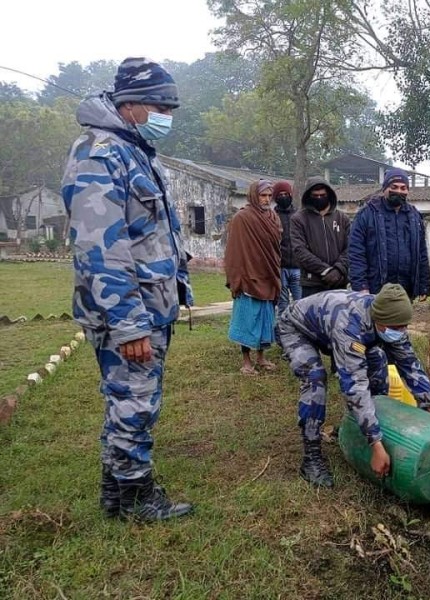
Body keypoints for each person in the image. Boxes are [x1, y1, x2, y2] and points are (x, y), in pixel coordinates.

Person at [61, 57, 193, 522]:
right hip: (128, 313)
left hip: (149, 306)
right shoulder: (100, 154)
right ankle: (137, 499)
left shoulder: (133, 151)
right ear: (131, 104)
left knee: (128, 401)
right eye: (161, 106)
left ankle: (115, 495)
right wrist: (129, 325)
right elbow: (101, 250)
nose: (167, 117)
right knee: (135, 404)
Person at [277, 284, 430, 488]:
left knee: (378, 359)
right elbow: (354, 385)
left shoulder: (391, 319)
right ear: (380, 321)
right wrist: (376, 445)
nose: (401, 332)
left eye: (404, 327)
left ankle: (364, 427)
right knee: (314, 377)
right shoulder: (349, 325)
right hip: (296, 328)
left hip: (330, 328)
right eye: (397, 328)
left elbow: (410, 365)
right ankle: (311, 458)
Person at [224, 180, 283, 375]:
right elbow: (233, 250)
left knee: (266, 320)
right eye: (262, 195)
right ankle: (246, 361)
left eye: (268, 196)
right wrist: (236, 277)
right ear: (253, 196)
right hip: (248, 277)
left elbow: (276, 247)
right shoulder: (242, 218)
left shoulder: (273, 217)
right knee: (248, 320)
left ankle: (261, 357)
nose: (266, 199)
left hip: (268, 273)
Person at [349, 168, 430, 302]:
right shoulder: (367, 214)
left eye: (403, 188)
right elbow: (356, 253)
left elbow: (421, 252)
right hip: (375, 287)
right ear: (385, 188)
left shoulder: (414, 216)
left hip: (405, 288)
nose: (399, 191)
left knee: (401, 322)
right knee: (375, 322)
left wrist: (424, 284)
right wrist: (361, 286)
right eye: (394, 187)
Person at [290, 177, 350, 298]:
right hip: (312, 283)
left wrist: (338, 269)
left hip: (338, 281)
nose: (319, 198)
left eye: (322, 195)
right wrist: (325, 271)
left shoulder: (342, 218)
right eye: (315, 195)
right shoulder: (299, 219)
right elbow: (300, 251)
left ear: (329, 195)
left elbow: (350, 248)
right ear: (308, 196)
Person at [273, 180, 302, 315]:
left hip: (297, 266)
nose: (283, 197)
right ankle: (282, 330)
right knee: (282, 303)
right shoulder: (272, 217)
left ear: (290, 195)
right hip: (280, 267)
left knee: (300, 302)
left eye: (286, 194)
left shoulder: (298, 216)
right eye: (280, 194)